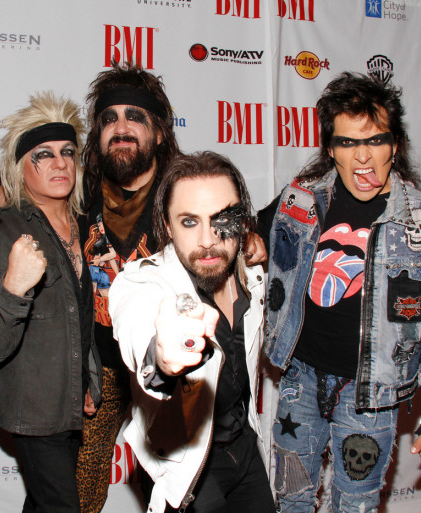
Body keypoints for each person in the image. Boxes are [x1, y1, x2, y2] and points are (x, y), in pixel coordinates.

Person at [257, 71, 421, 512]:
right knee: (290, 500)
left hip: (371, 394)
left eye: (375, 140)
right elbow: (251, 239)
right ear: (330, 149)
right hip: (300, 380)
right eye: (347, 142)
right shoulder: (300, 201)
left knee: (355, 506)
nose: (363, 156)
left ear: (396, 144)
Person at [109, 152, 275, 513]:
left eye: (222, 220)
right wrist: (160, 355)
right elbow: (137, 320)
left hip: (246, 447)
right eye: (189, 222)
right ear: (167, 226)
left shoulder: (250, 275)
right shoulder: (144, 280)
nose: (208, 239)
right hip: (187, 465)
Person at [0, 92, 102, 513]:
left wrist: (86, 381)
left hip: (68, 400)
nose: (60, 163)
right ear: (20, 168)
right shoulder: (7, 229)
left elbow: (80, 316)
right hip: (31, 406)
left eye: (67, 152)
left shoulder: (86, 226)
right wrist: (15, 287)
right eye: (44, 155)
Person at [75, 62, 181, 512]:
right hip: (99, 367)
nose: (120, 128)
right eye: (109, 118)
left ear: (158, 132)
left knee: (180, 488)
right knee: (74, 491)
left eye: (134, 117)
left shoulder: (183, 198)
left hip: (171, 369)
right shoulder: (74, 199)